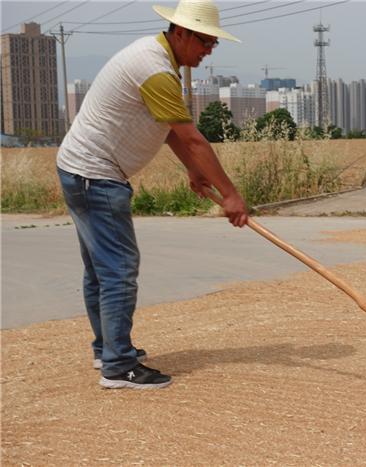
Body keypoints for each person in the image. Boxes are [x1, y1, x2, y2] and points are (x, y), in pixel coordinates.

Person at [56, 0, 248, 389]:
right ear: (180, 33)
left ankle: (106, 349)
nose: (208, 49)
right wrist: (231, 195)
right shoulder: (155, 70)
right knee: (118, 271)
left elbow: (173, 132)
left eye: (213, 43)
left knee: (100, 271)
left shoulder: (155, 59)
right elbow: (192, 138)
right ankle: (118, 366)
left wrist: (195, 173)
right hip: (96, 176)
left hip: (79, 169)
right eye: (204, 41)